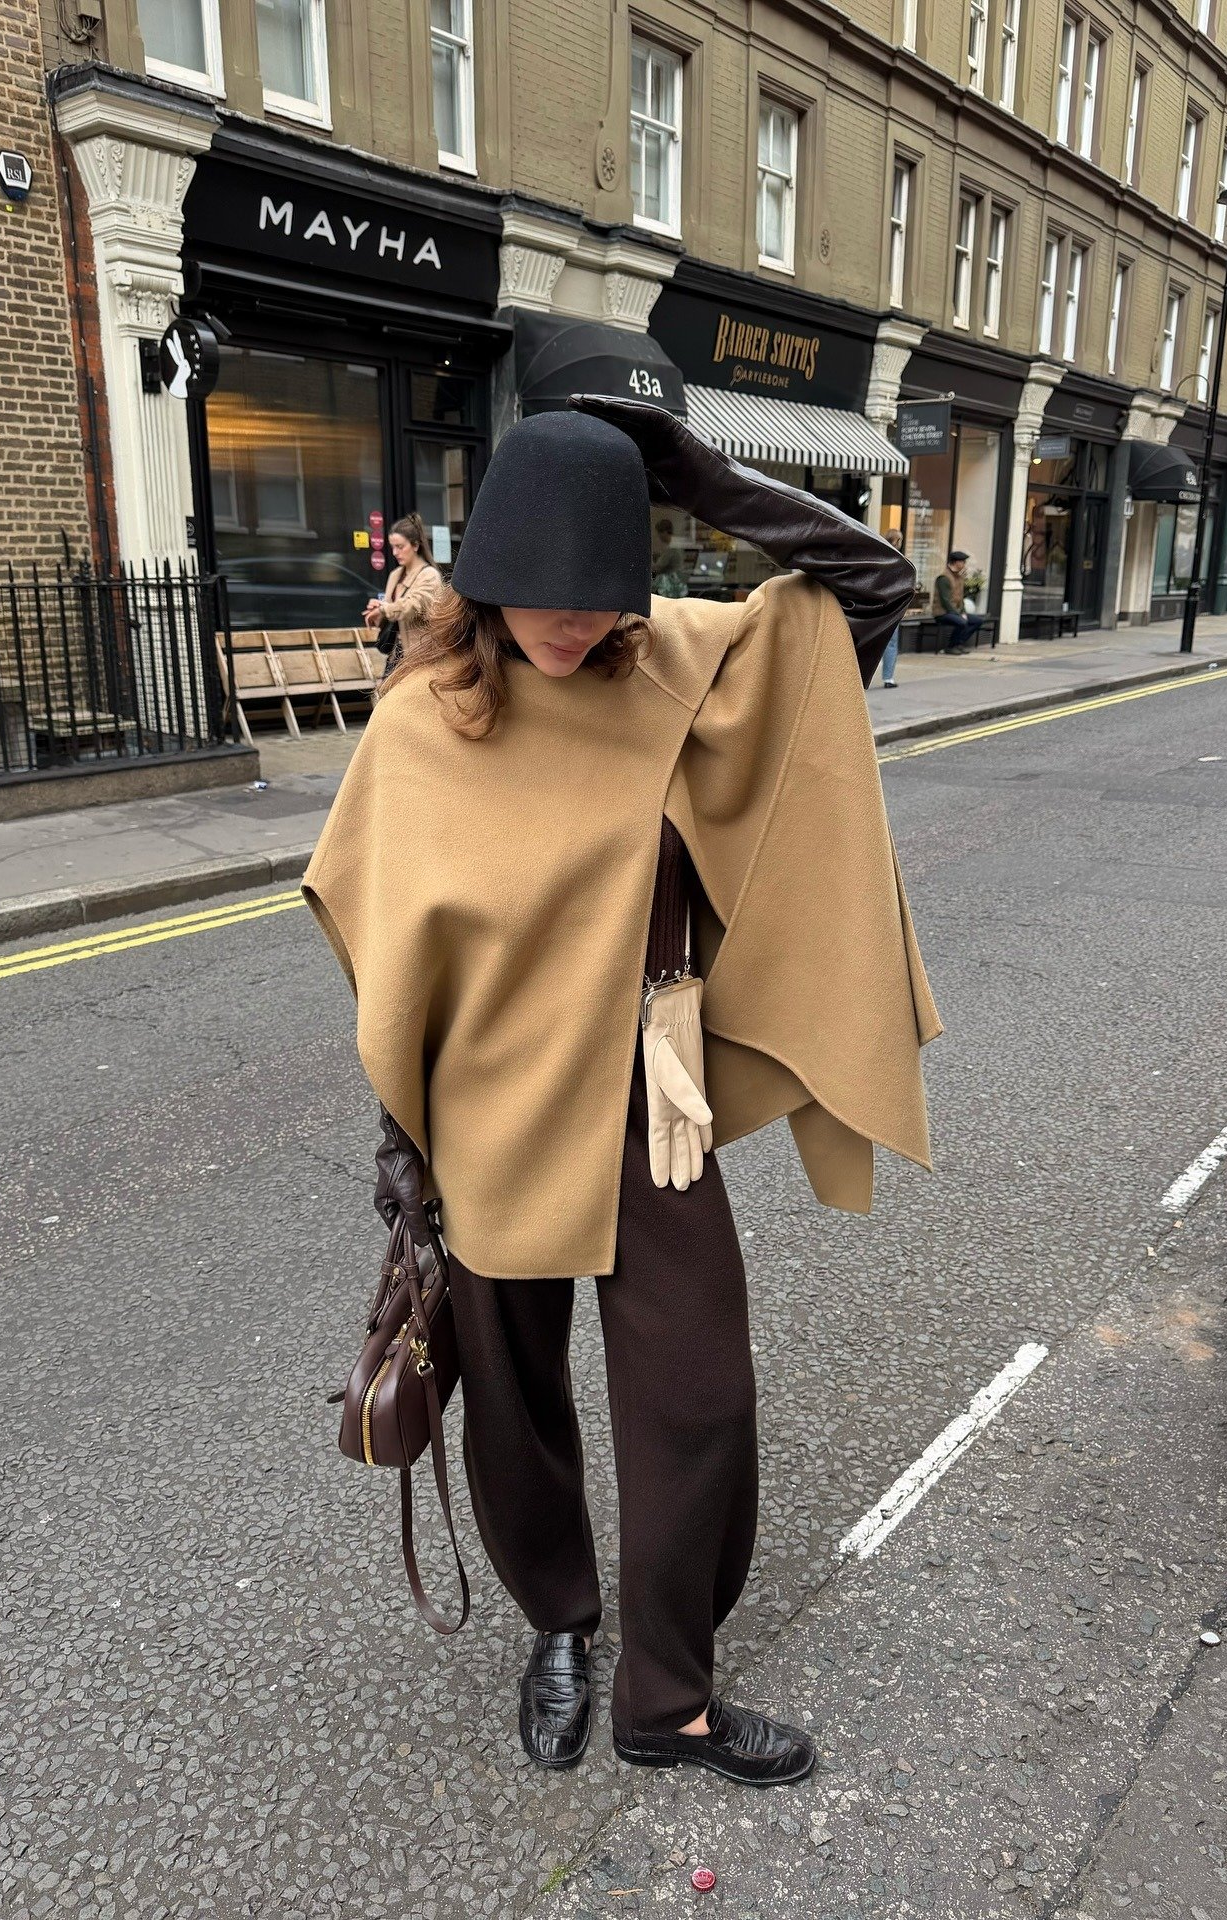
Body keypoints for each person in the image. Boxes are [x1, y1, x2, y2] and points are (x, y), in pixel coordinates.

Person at [302, 400, 939, 1789]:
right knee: (516, 1401)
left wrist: (699, 478)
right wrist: (408, 1151)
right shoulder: (424, 724)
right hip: (490, 1111)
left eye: (601, 598)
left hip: (655, 1087)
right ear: (489, 573)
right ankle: (562, 1627)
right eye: (545, 596)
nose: (573, 628)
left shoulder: (674, 666)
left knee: (699, 1383)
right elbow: (386, 949)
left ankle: (669, 1694)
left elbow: (880, 588)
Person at [363, 513, 443, 677]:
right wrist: (377, 610)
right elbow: (391, 616)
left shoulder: (429, 575)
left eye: (400, 547)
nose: (394, 552)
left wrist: (385, 609)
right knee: (385, 698)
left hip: (420, 656)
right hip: (395, 653)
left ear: (415, 545)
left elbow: (411, 606)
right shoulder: (395, 575)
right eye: (393, 547)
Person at [934, 547, 983, 653]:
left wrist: (963, 612)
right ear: (956, 562)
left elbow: (960, 599)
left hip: (955, 612)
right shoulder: (943, 578)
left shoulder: (959, 577)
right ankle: (951, 647)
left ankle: (958, 643)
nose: (965, 565)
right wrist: (958, 614)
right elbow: (945, 601)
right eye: (963, 562)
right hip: (942, 612)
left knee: (977, 621)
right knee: (962, 622)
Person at [880, 528, 905, 686]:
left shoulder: (878, 556)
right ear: (897, 541)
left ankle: (858, 679)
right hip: (893, 605)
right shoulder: (899, 560)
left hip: (876, 604)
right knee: (891, 642)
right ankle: (888, 678)